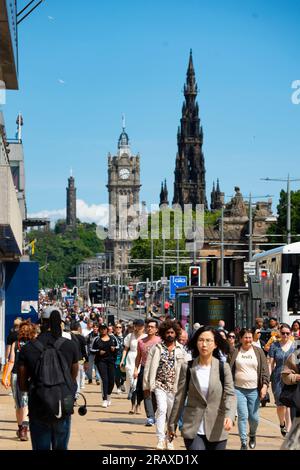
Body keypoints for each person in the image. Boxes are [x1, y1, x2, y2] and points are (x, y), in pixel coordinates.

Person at [18, 308, 79, 450]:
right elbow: (73, 376)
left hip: (38, 402)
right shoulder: (70, 345)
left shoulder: (28, 348)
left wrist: (35, 387)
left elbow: (22, 384)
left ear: (41, 323)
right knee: (61, 446)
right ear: (61, 323)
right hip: (65, 402)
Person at [168, 326, 236, 450]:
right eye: (201, 340)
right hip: (193, 427)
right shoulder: (187, 367)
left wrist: (230, 416)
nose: (204, 344)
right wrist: (172, 424)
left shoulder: (223, 368)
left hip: (217, 427)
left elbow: (230, 394)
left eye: (208, 340)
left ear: (215, 344)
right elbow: (180, 398)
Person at [143, 319, 187, 450]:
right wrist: (146, 386)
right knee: (161, 409)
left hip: (175, 387)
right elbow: (148, 367)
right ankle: (160, 440)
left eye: (172, 332)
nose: (170, 334)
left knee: (172, 415)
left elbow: (185, 369)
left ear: (176, 334)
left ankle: (170, 439)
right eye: (167, 332)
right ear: (163, 333)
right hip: (159, 384)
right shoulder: (156, 348)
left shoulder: (181, 350)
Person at [230, 328, 269, 450]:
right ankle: (243, 442)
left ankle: (252, 434)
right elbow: (228, 369)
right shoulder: (235, 351)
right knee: (242, 415)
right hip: (238, 389)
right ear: (241, 339)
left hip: (254, 390)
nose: (248, 340)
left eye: (250, 337)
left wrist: (265, 386)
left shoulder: (258, 352)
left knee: (254, 418)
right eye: (246, 337)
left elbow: (264, 370)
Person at [3, 320, 37, 441]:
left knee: (18, 403)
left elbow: (11, 361)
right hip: (30, 376)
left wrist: (5, 376)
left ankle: (20, 428)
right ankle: (24, 429)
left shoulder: (15, 343)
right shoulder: (35, 344)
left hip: (16, 375)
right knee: (26, 403)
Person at [268, 323, 296, 436]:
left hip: (291, 377)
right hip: (277, 378)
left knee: (288, 403)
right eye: (283, 333)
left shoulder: (294, 346)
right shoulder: (274, 346)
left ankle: (289, 429)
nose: (285, 335)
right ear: (279, 332)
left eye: (287, 333)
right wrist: (268, 378)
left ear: (290, 333)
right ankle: (282, 424)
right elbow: (270, 363)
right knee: (280, 405)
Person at [134, 318, 161, 426]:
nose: (149, 329)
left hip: (158, 369)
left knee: (156, 393)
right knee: (146, 392)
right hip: (145, 369)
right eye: (148, 327)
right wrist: (136, 369)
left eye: (152, 327)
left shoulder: (160, 341)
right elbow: (138, 357)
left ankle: (156, 414)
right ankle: (150, 416)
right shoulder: (141, 342)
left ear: (156, 329)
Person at [120, 319, 146, 414]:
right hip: (131, 360)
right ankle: (132, 405)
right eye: (136, 326)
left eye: (140, 326)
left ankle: (138, 404)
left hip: (142, 360)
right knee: (132, 383)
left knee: (139, 384)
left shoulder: (145, 337)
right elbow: (125, 349)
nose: (138, 328)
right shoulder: (129, 336)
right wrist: (122, 360)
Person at [93, 323, 118, 408]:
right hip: (101, 361)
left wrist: (114, 349)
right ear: (99, 330)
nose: (103, 330)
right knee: (105, 380)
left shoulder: (113, 338)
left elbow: (119, 347)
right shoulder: (96, 339)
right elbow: (91, 349)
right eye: (101, 329)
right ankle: (104, 399)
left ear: (107, 330)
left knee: (111, 380)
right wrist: (98, 352)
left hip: (111, 361)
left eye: (104, 329)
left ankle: (108, 395)